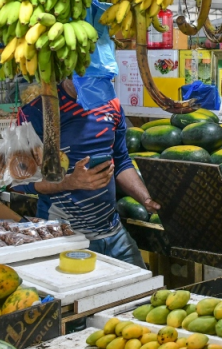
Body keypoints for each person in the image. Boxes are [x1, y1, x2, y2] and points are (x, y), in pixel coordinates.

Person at [14, 78, 158, 267]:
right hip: (64, 235)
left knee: (141, 284)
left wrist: (146, 199)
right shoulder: (36, 112)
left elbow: (121, 161)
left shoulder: (112, 104)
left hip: (113, 233)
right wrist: (69, 182)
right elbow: (19, 180)